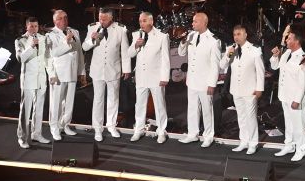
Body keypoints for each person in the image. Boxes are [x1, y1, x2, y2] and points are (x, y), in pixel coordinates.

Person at [81, 8, 131, 141]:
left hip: (113, 69)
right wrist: (91, 39)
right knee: (98, 99)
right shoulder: (93, 27)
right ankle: (98, 129)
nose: (101, 21)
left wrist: (126, 69)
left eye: (104, 19)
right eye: (100, 18)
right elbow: (84, 47)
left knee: (113, 98)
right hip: (97, 70)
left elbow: (125, 51)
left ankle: (111, 126)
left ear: (111, 18)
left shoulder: (120, 29)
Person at [219, 23, 265, 154]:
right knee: (241, 117)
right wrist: (228, 54)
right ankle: (244, 141)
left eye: (239, 34)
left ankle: (253, 143)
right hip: (236, 89)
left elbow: (260, 71)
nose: (236, 37)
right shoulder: (231, 49)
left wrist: (260, 88)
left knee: (251, 117)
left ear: (245, 35)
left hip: (250, 90)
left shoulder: (254, 50)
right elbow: (222, 66)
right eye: (234, 34)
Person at [177, 11, 221, 148]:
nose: (192, 23)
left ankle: (208, 136)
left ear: (204, 23)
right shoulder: (190, 36)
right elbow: (181, 53)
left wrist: (212, 84)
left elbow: (215, 65)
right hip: (192, 81)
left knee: (207, 110)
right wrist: (183, 41)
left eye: (195, 21)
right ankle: (192, 134)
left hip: (205, 82)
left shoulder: (213, 41)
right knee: (192, 108)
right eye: (193, 21)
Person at [128, 11, 170, 142]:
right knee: (139, 105)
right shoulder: (136, 35)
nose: (141, 23)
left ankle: (161, 131)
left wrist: (165, 77)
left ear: (151, 21)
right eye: (140, 21)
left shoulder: (162, 36)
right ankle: (139, 129)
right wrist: (136, 45)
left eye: (144, 21)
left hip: (156, 77)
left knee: (159, 105)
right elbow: (130, 54)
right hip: (141, 76)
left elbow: (166, 59)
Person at [46, 9, 85, 140]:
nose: (64, 20)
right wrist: (66, 42)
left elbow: (79, 53)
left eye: (65, 17)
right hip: (59, 74)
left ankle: (65, 125)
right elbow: (53, 53)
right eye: (60, 18)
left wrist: (81, 72)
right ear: (55, 21)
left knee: (69, 102)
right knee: (56, 102)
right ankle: (54, 128)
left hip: (72, 71)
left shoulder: (74, 31)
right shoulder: (50, 35)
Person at [270, 28, 305, 160]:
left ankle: (300, 149)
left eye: (289, 38)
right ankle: (289, 145)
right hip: (284, 95)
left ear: (296, 41)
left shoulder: (302, 58)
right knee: (288, 123)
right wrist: (275, 56)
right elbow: (275, 67)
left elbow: (303, 82)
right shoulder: (287, 53)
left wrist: (297, 99)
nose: (286, 40)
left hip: (295, 97)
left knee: (298, 125)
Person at [14, 17, 52, 148]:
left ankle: (37, 134)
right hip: (28, 79)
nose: (34, 29)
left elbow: (47, 57)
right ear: (26, 27)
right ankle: (22, 137)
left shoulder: (42, 38)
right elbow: (20, 58)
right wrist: (31, 46)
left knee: (39, 108)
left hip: (41, 78)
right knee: (26, 110)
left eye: (36, 26)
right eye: (31, 26)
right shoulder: (20, 40)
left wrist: (50, 74)